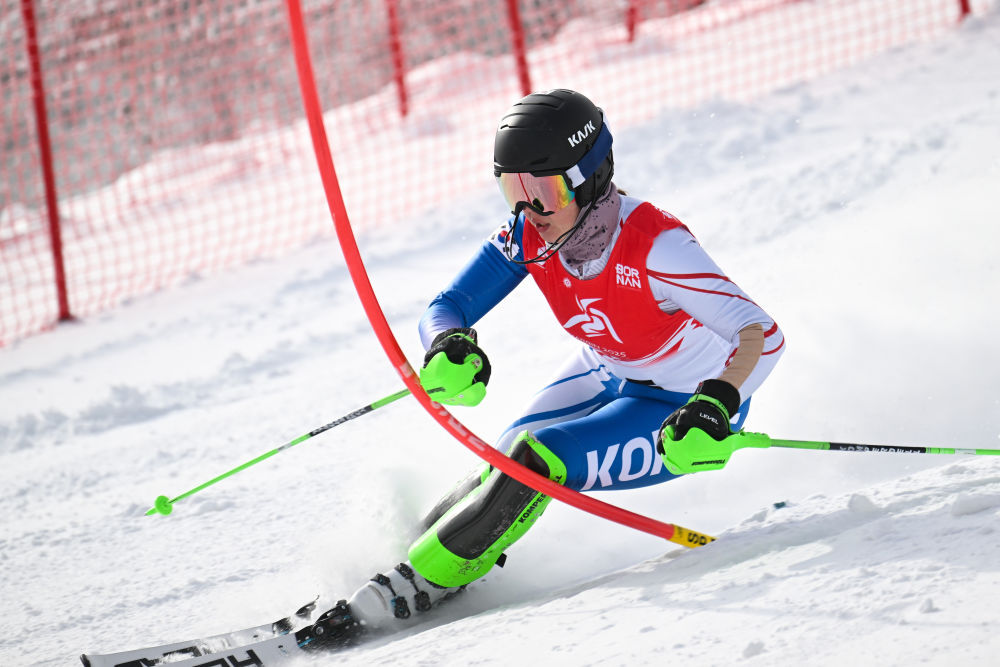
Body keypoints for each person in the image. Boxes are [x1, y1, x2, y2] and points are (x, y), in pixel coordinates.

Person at [309, 88, 785, 643]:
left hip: (683, 412)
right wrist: (449, 344)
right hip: (613, 371)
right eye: (512, 189)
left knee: (538, 459)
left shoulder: (657, 246)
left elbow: (761, 333)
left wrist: (716, 405)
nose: (527, 209)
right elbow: (447, 308)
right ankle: (406, 561)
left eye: (544, 191)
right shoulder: (530, 234)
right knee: (506, 454)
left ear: (590, 177)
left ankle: (418, 584)